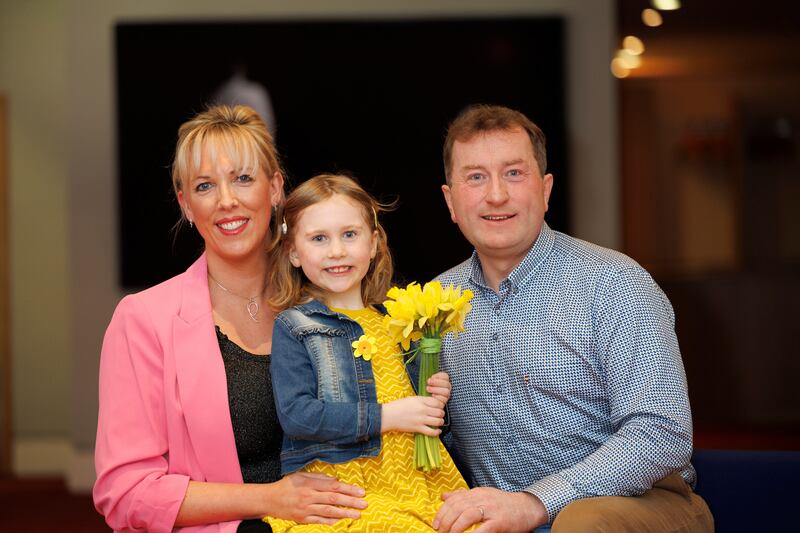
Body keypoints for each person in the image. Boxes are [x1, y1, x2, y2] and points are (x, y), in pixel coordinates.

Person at [431, 104, 714, 533]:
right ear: (451, 201)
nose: (495, 195)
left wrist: (534, 502)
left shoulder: (615, 283)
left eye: (513, 173)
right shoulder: (435, 303)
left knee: (581, 524)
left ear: (545, 190)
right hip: (499, 516)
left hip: (637, 504)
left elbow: (662, 435)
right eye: (475, 177)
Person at [93, 106, 368, 533]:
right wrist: (274, 498)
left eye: (243, 179)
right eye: (205, 186)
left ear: (275, 188)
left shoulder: (332, 301)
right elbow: (127, 493)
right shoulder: (144, 320)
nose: (226, 200)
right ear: (186, 204)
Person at [264, 174, 470, 531]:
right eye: (318, 239)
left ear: (373, 243)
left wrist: (434, 403)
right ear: (293, 252)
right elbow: (298, 415)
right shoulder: (295, 326)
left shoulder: (399, 319)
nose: (337, 251)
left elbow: (417, 411)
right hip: (343, 487)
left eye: (349, 234)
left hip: (416, 479)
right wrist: (387, 417)